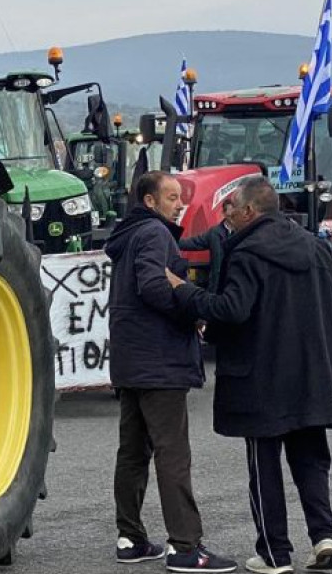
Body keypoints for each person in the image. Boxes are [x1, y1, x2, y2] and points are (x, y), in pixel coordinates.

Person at [166, 176, 332, 574]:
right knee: (311, 460)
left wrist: (184, 292)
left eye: (230, 207)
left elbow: (233, 309)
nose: (226, 215)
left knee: (264, 468)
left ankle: (274, 554)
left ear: (249, 211)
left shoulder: (247, 251)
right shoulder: (316, 247)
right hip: (312, 374)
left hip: (261, 376)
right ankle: (324, 536)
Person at [104, 172, 237, 572]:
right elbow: (154, 285)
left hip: (131, 360)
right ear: (149, 201)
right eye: (172, 197)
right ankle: (185, 547)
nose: (180, 205)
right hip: (159, 361)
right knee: (172, 453)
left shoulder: (127, 235)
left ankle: (130, 539)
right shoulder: (155, 233)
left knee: (132, 452)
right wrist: (191, 312)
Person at [179, 197, 235, 291]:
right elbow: (194, 243)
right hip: (217, 287)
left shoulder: (243, 232)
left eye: (234, 215)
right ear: (224, 214)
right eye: (230, 215)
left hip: (235, 287)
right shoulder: (214, 233)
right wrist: (170, 240)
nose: (232, 218)